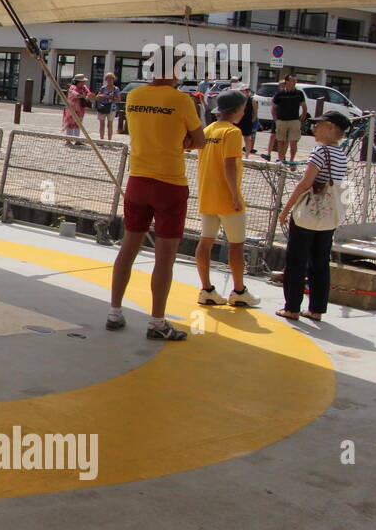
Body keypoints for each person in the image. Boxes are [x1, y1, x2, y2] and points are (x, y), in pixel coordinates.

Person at [107, 63, 207, 340]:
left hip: (138, 178)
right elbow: (200, 140)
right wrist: (183, 140)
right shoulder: (181, 99)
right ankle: (157, 322)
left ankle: (114, 312)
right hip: (170, 183)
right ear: (175, 72)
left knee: (128, 248)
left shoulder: (135, 97)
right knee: (165, 257)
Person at [276, 112, 350, 322]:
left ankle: (292, 307)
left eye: (318, 125)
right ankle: (316, 309)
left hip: (308, 213)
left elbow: (306, 183)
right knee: (320, 261)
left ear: (330, 127)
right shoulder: (341, 154)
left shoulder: (320, 152)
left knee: (296, 260)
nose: (314, 128)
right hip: (329, 215)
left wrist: (286, 209)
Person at [195, 90, 261, 308]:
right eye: (244, 109)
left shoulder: (208, 130)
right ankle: (239, 291)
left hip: (207, 195)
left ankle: (206, 289)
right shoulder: (232, 133)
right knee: (236, 245)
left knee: (205, 241)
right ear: (237, 111)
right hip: (226, 197)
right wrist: (235, 195)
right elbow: (230, 164)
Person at [270, 73, 308, 164]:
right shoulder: (280, 94)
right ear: (287, 81)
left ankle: (291, 161)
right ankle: (281, 160)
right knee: (281, 142)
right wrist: (276, 120)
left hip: (294, 121)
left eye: (296, 80)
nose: (295, 82)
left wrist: (300, 120)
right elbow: (273, 108)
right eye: (293, 80)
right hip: (281, 121)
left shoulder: (299, 93)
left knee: (293, 142)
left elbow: (304, 108)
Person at [62, 74, 93, 146]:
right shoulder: (72, 87)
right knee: (70, 124)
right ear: (77, 82)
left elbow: (89, 93)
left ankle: (77, 140)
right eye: (81, 82)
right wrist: (84, 95)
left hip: (81, 109)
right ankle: (68, 140)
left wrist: (87, 95)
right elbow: (76, 95)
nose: (83, 83)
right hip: (71, 109)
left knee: (78, 124)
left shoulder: (84, 87)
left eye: (83, 82)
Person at [94, 72, 120, 140]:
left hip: (112, 108)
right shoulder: (103, 88)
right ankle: (101, 139)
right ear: (106, 80)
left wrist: (108, 97)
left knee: (109, 124)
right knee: (102, 124)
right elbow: (97, 97)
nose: (109, 81)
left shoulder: (116, 89)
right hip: (102, 107)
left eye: (111, 79)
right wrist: (99, 96)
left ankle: (109, 140)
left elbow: (118, 100)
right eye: (108, 79)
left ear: (113, 80)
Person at [234, 81, 257, 155]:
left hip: (247, 121)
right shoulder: (238, 100)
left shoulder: (252, 101)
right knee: (236, 138)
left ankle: (247, 154)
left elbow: (255, 112)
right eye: (244, 90)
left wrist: (252, 120)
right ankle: (236, 153)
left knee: (247, 138)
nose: (246, 91)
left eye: (247, 90)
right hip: (238, 121)